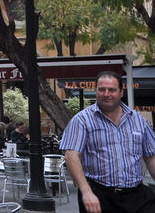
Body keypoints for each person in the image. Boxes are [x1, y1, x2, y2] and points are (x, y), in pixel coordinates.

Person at [61, 71, 155, 213]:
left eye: (112, 89)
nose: (106, 94)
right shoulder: (82, 120)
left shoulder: (138, 120)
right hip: (100, 196)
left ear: (121, 92)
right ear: (96, 91)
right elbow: (71, 156)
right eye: (101, 89)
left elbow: (151, 157)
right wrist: (86, 192)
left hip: (137, 195)